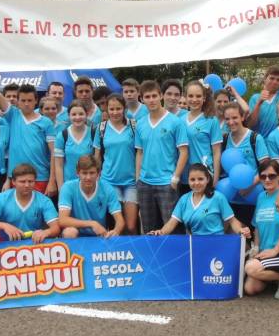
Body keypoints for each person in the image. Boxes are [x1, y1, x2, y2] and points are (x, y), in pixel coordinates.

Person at [0, 74, 57, 196]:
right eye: (23, 100)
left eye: (29, 100)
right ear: (18, 101)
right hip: (17, 178)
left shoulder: (46, 122)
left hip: (40, 177)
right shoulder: (13, 114)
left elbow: (54, 153)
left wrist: (52, 181)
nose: (26, 104)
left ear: (36, 101)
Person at [134, 80, 189, 233]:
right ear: (142, 99)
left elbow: (184, 151)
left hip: (167, 182)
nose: (151, 100)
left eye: (154, 96)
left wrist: (175, 178)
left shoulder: (175, 122)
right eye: (147, 97)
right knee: (148, 229)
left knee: (172, 230)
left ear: (161, 96)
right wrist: (138, 179)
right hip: (145, 183)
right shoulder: (140, 123)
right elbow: (140, 152)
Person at [244, 160, 279, 300]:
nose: (267, 179)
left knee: (250, 268)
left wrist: (275, 250)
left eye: (272, 176)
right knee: (250, 288)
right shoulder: (261, 197)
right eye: (263, 176)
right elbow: (257, 226)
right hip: (266, 253)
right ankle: (275, 278)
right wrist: (256, 248)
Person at [150, 164, 251, 237]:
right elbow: (172, 222)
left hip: (217, 244)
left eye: (200, 179)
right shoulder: (184, 199)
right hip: (193, 246)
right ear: (188, 181)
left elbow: (232, 220)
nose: (196, 183)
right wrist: (161, 232)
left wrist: (240, 230)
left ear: (207, 179)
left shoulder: (218, 197)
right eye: (192, 180)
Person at [0, 163, 61, 243]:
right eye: (22, 181)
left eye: (30, 181)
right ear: (13, 182)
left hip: (34, 243)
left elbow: (56, 227)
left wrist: (46, 232)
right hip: (4, 244)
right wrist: (4, 226)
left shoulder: (44, 201)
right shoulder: (1, 198)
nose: (27, 185)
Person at [93, 94, 138, 235]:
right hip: (109, 181)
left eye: (118, 108)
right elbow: (97, 156)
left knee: (131, 226)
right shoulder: (101, 128)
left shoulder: (133, 126)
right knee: (115, 225)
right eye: (111, 109)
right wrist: (96, 178)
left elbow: (140, 152)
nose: (115, 112)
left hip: (131, 182)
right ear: (106, 109)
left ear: (124, 108)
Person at [221, 103, 269, 227]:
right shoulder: (224, 139)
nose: (231, 122)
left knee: (252, 234)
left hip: (253, 197)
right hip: (232, 199)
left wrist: (249, 187)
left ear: (242, 117)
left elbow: (266, 168)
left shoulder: (255, 138)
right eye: (227, 119)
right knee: (235, 235)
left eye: (234, 117)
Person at [58, 155, 125, 238]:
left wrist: (116, 231)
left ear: (98, 174)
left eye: (92, 173)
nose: (88, 177)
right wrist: (92, 224)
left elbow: (119, 220)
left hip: (100, 235)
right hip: (76, 234)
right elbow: (62, 220)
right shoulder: (68, 187)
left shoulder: (107, 189)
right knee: (69, 232)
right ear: (77, 173)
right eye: (84, 173)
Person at [180, 80, 222, 191]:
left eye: (198, 96)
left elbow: (216, 152)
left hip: (204, 175)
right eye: (191, 96)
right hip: (185, 175)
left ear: (204, 98)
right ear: (185, 97)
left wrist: (216, 177)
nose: (194, 100)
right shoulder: (180, 120)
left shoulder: (211, 120)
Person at [54, 100, 95, 188]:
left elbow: (98, 161)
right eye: (74, 114)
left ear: (87, 114)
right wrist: (61, 189)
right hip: (69, 185)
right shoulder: (62, 136)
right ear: (68, 115)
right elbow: (59, 166)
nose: (77, 117)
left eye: (81, 114)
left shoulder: (94, 134)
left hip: (90, 185)